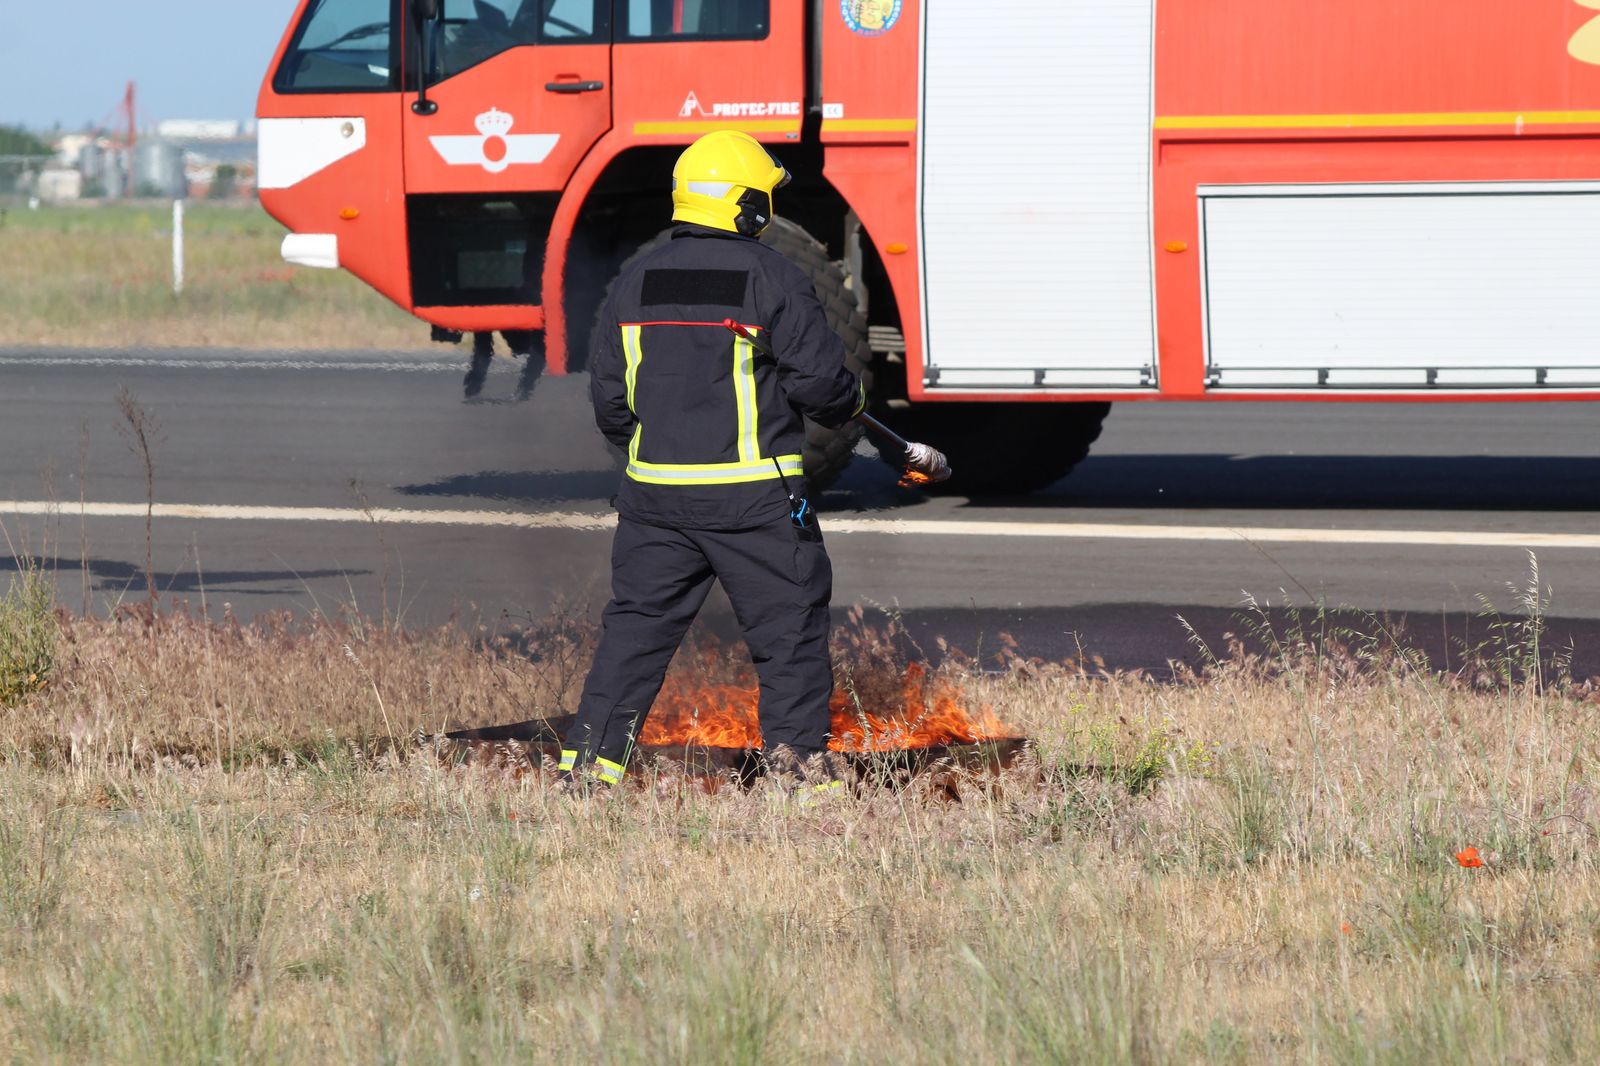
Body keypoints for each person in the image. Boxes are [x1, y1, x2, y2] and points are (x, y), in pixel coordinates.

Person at [558, 130, 866, 793]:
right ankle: (798, 781)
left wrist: (658, 452)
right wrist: (853, 400)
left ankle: (586, 776)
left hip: (654, 500)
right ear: (746, 206)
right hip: (754, 502)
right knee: (789, 639)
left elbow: (610, 402)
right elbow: (822, 389)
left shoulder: (635, 281)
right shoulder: (772, 276)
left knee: (633, 638)